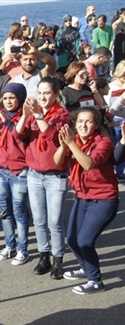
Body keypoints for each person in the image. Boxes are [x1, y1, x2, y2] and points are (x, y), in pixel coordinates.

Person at [54, 107, 119, 295]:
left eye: (88, 121)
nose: (83, 125)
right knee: (72, 239)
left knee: (85, 241)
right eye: (80, 121)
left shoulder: (104, 143)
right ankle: (86, 268)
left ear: (96, 124)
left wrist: (71, 143)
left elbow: (88, 164)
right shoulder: (75, 142)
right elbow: (57, 161)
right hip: (82, 196)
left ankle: (96, 281)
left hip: (104, 199)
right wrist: (64, 146)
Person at [16, 77, 71, 279]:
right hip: (34, 173)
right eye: (40, 93)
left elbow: (52, 137)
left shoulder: (62, 115)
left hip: (55, 175)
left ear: (56, 94)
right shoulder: (35, 113)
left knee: (54, 221)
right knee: (39, 220)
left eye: (47, 93)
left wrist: (39, 114)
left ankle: (58, 258)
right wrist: (25, 115)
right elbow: (18, 134)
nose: (43, 97)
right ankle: (44, 254)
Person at [0, 83, 30, 265]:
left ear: (19, 98)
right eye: (5, 98)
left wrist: (7, 121)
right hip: (0, 169)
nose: (8, 101)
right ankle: (9, 245)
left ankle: (23, 249)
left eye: (12, 97)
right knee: (4, 211)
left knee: (19, 211)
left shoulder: (25, 116)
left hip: (19, 170)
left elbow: (21, 136)